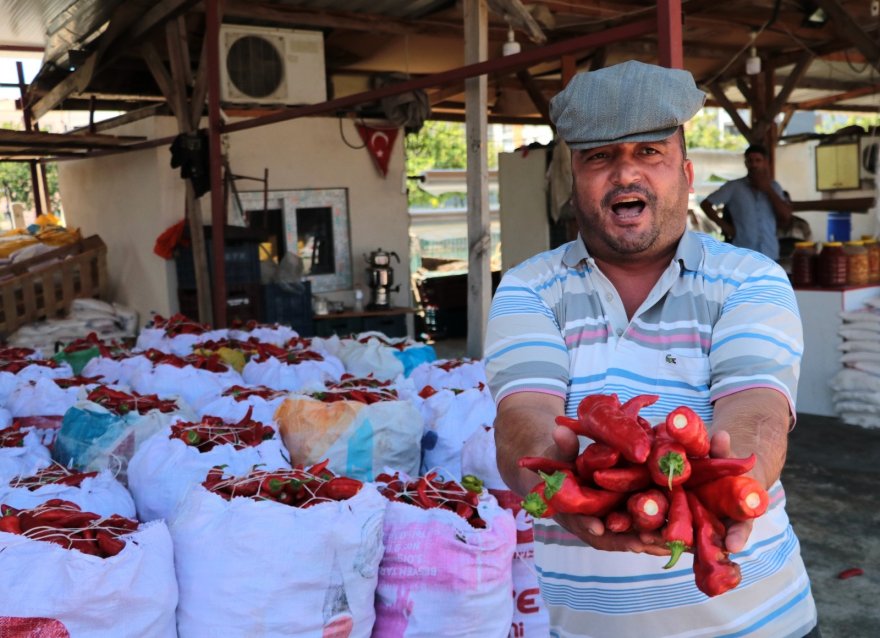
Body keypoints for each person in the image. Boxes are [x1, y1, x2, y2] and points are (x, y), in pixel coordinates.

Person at [485, 60, 818, 637]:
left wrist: (733, 495)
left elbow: (757, 410)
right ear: (573, 180)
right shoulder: (527, 288)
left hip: (759, 624)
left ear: (686, 172)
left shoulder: (749, 279)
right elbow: (524, 417)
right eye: (599, 157)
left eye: (649, 153)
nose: (624, 175)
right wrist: (562, 490)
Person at [700, 144, 793, 259]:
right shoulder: (734, 187)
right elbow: (705, 204)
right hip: (742, 254)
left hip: (770, 252)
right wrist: (726, 227)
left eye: (758, 160)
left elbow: (786, 215)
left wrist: (768, 189)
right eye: (750, 161)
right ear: (745, 163)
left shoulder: (774, 187)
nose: (754, 164)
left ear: (766, 163)